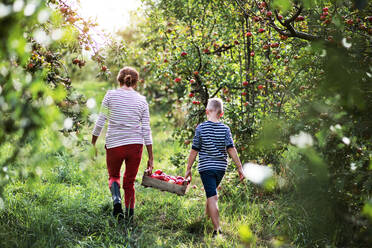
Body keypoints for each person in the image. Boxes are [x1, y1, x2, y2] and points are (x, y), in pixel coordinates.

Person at [91, 66, 153, 221]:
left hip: (114, 144)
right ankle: (130, 218)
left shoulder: (110, 96)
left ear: (119, 80)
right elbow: (146, 129)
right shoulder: (142, 101)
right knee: (129, 182)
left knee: (113, 176)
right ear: (136, 83)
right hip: (135, 146)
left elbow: (100, 121)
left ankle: (116, 200)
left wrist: (93, 143)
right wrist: (151, 156)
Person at [185, 98, 244, 237]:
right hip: (220, 169)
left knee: (213, 197)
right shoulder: (225, 129)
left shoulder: (201, 128)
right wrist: (239, 167)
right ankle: (206, 219)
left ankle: (217, 230)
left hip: (206, 168)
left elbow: (194, 150)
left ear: (207, 112)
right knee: (210, 193)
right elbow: (231, 149)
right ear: (221, 114)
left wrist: (188, 168)